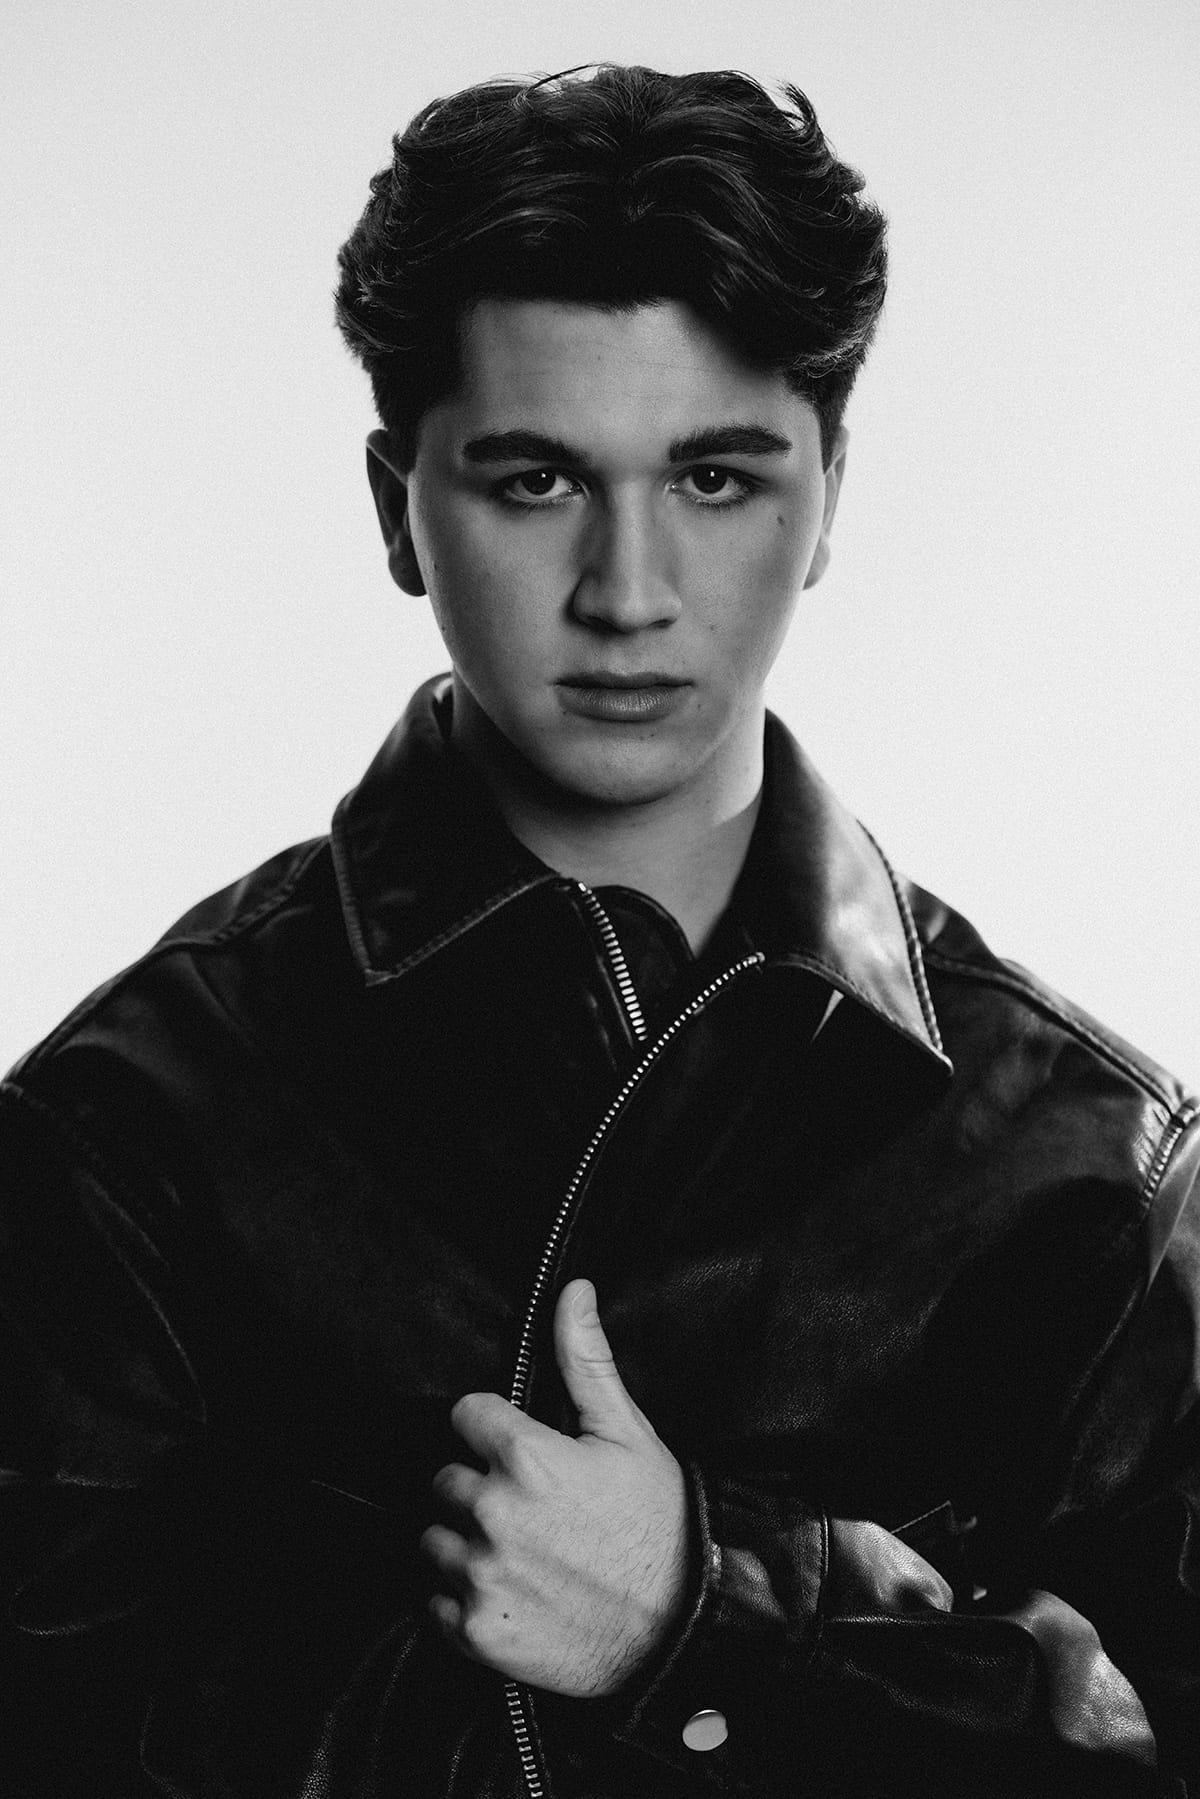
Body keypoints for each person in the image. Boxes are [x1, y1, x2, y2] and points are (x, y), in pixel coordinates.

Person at [1, 62, 1196, 1799]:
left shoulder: (1088, 1169)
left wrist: (700, 1623)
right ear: (396, 507)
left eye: (714, 479)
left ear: (831, 493)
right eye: (536, 481)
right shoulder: (133, 1127)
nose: (628, 593)